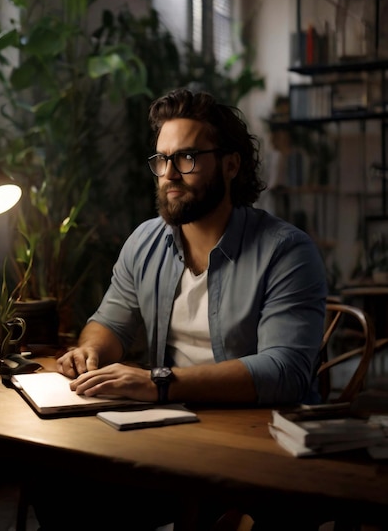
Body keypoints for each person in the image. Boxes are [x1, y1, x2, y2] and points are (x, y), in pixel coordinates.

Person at [30, 88, 328, 530]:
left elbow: (284, 370)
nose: (169, 174)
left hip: (262, 444)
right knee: (57, 481)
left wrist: (159, 383)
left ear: (230, 165)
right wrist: (88, 351)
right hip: (174, 432)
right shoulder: (144, 241)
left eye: (186, 158)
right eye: (161, 160)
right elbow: (109, 322)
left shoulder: (286, 251)